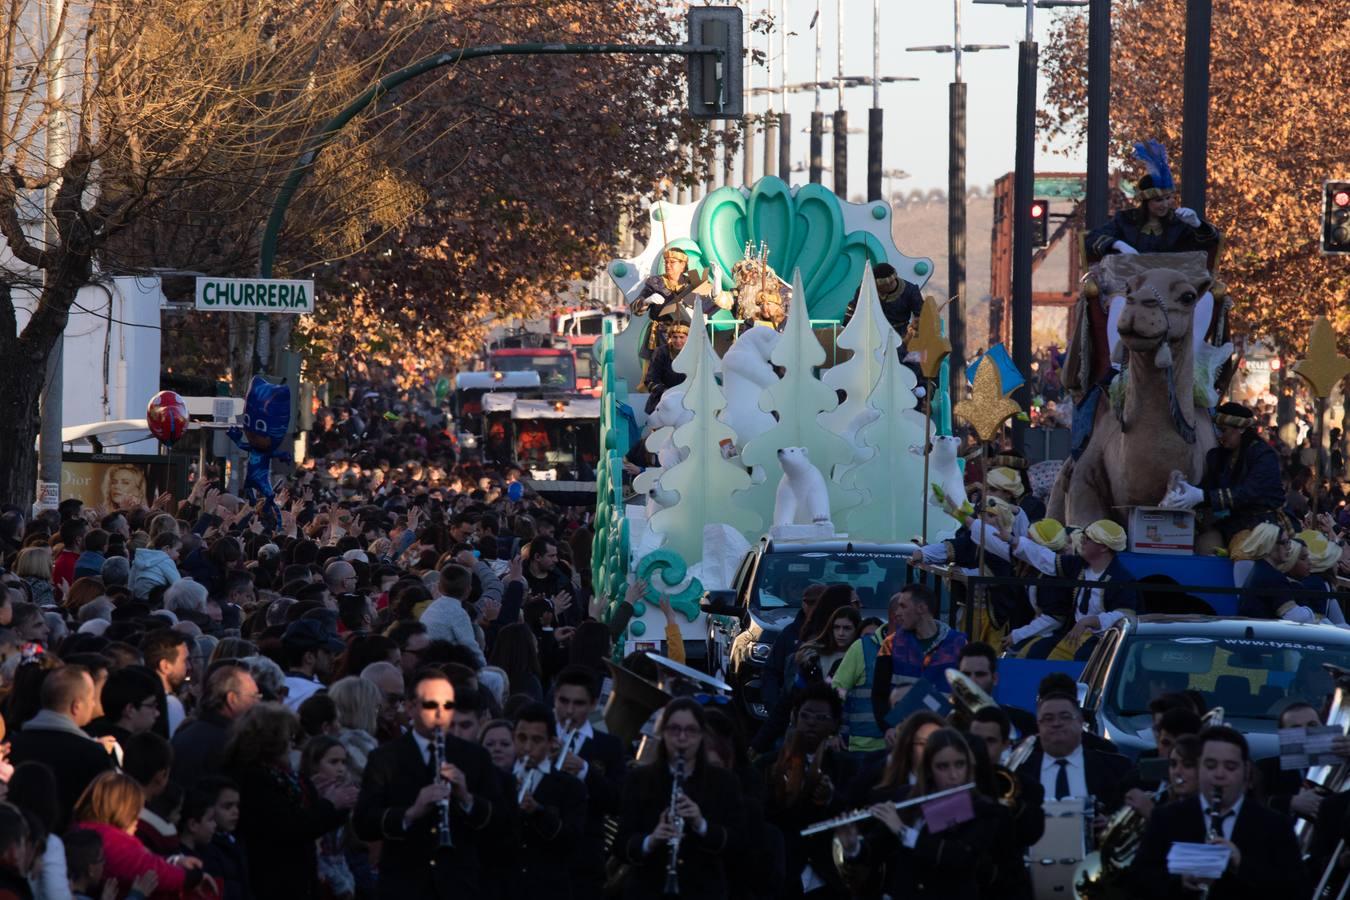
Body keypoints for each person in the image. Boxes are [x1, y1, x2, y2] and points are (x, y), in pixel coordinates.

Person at [354, 668, 504, 899]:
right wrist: (410, 813)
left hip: (459, 886)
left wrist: (466, 798)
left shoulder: (474, 756)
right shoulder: (384, 757)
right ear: (411, 707)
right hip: (404, 885)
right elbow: (363, 823)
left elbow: (499, 823)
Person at [833, 727, 1023, 900]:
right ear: (929, 769)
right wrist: (853, 846)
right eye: (943, 766)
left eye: (959, 764)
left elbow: (960, 857)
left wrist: (902, 831)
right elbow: (877, 849)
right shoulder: (907, 798)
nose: (953, 775)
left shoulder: (980, 808)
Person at [1130, 725, 1306, 899]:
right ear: (1199, 768)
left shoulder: (1275, 825)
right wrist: (1179, 881)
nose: (1219, 775)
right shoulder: (1166, 818)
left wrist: (1240, 864)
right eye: (1211, 765)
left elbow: (1295, 890)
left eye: (1230, 767)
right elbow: (1138, 881)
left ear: (1246, 771)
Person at [615, 697, 744, 900]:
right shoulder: (639, 779)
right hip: (648, 889)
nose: (682, 737)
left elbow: (738, 844)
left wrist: (701, 825)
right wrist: (652, 840)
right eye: (674, 729)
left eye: (691, 730)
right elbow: (621, 845)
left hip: (702, 891)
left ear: (701, 735)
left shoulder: (725, 782)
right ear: (663, 733)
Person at [222, 703, 354, 900]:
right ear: (271, 741)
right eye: (289, 737)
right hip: (272, 880)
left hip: (301, 879)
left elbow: (315, 822)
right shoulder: (253, 780)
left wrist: (335, 800)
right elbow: (289, 826)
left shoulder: (290, 777)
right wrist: (330, 803)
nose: (293, 744)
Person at [762, 683, 853, 899]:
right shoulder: (769, 765)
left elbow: (856, 815)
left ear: (835, 724)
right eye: (805, 716)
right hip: (784, 873)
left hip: (828, 875)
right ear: (794, 718)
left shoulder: (846, 768)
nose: (811, 723)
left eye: (821, 718)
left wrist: (831, 798)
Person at [1161, 403, 1286, 554]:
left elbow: (1248, 493)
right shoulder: (1219, 456)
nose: (1220, 436)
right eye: (1218, 430)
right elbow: (1208, 489)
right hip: (1234, 523)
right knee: (1205, 545)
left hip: (1264, 523)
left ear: (1240, 429)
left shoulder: (1263, 455)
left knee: (1242, 551)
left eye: (1223, 430)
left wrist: (1202, 496)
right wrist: (1182, 488)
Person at [71, 771, 212, 897]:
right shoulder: (111, 841)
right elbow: (151, 869)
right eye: (135, 810)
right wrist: (191, 876)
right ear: (123, 810)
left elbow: (144, 859)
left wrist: (174, 861)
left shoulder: (82, 829)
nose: (138, 818)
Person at [1011, 519, 1136, 661]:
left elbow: (1125, 617)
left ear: (1103, 548)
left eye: (1088, 539)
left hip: (1102, 639)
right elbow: (1048, 560)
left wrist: (1090, 621)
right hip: (1074, 634)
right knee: (1038, 655)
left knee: (1081, 658)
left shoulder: (1121, 578)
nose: (1082, 541)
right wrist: (1012, 540)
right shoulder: (1079, 565)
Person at [550, 665, 625, 897]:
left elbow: (617, 802)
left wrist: (584, 770)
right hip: (542, 852)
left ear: (593, 705)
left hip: (585, 856)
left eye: (579, 704)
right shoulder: (539, 736)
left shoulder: (609, 745)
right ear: (555, 700)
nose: (569, 710)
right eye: (563, 701)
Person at [8, 665, 113, 830]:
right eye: (91, 698)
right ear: (76, 706)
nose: (93, 704)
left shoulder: (10, 747)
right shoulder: (92, 754)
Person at [1085, 140, 1220, 260]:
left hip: (1172, 282)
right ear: (1146, 202)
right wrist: (1119, 245)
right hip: (1132, 282)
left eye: (1168, 198)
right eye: (1158, 200)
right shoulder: (1125, 220)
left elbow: (1211, 243)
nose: (1165, 204)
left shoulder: (1179, 222)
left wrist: (1197, 224)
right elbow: (1091, 240)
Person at [508, 703, 586, 899]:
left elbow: (573, 842)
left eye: (536, 740)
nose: (527, 747)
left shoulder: (570, 787)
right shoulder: (499, 777)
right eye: (522, 738)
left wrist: (538, 811)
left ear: (551, 743)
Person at [1014, 693, 1131, 817]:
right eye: (1048, 718)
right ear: (1039, 726)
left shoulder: (1117, 769)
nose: (1056, 724)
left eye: (1065, 717)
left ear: (1080, 722)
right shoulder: (1018, 772)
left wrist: (1108, 821)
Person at [870, 584, 967, 729]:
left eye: (903, 606)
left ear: (921, 608)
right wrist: (887, 728)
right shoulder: (891, 644)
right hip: (903, 734)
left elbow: (967, 695)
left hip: (944, 734)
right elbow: (879, 695)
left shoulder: (959, 645)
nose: (897, 612)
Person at [171, 664, 261, 788]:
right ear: (232, 699)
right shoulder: (232, 744)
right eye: (254, 696)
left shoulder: (184, 733)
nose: (258, 703)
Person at [955, 641, 1037, 739]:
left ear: (995, 678)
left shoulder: (1023, 721)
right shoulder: (942, 719)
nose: (972, 681)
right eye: (966, 674)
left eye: (980, 674)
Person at [419, 564, 487, 668]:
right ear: (468, 590)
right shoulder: (458, 613)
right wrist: (484, 669)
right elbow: (470, 646)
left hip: (426, 660)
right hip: (442, 665)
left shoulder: (433, 607)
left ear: (439, 588)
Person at [280, 618, 344, 711]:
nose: (332, 657)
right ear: (309, 657)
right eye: (327, 652)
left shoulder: (270, 686)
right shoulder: (321, 696)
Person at [141, 630, 190, 737]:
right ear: (165, 666)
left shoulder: (142, 704)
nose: (189, 667)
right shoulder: (171, 705)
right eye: (184, 661)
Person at [641, 318, 689, 415]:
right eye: (675, 337)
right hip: (662, 403)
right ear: (670, 337)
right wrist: (667, 392)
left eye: (681, 337)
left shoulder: (695, 353)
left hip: (687, 403)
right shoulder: (661, 352)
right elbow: (650, 381)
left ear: (688, 337)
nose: (678, 340)